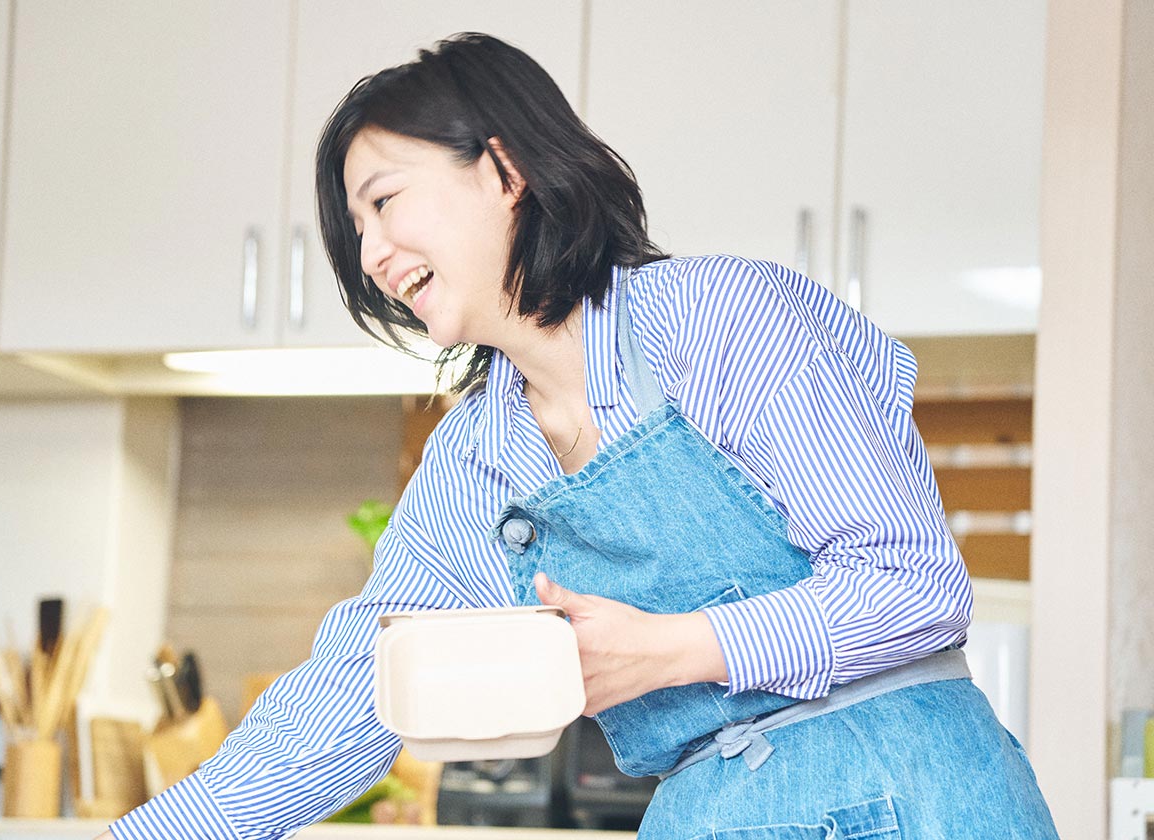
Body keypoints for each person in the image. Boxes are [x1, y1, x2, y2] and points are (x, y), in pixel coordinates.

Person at [102, 33, 1058, 839]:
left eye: (385, 202)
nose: (371, 254)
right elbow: (356, 690)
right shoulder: (476, 458)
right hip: (708, 811)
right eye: (353, 231)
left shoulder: (720, 320)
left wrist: (677, 649)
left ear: (506, 168)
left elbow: (914, 586)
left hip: (910, 791)